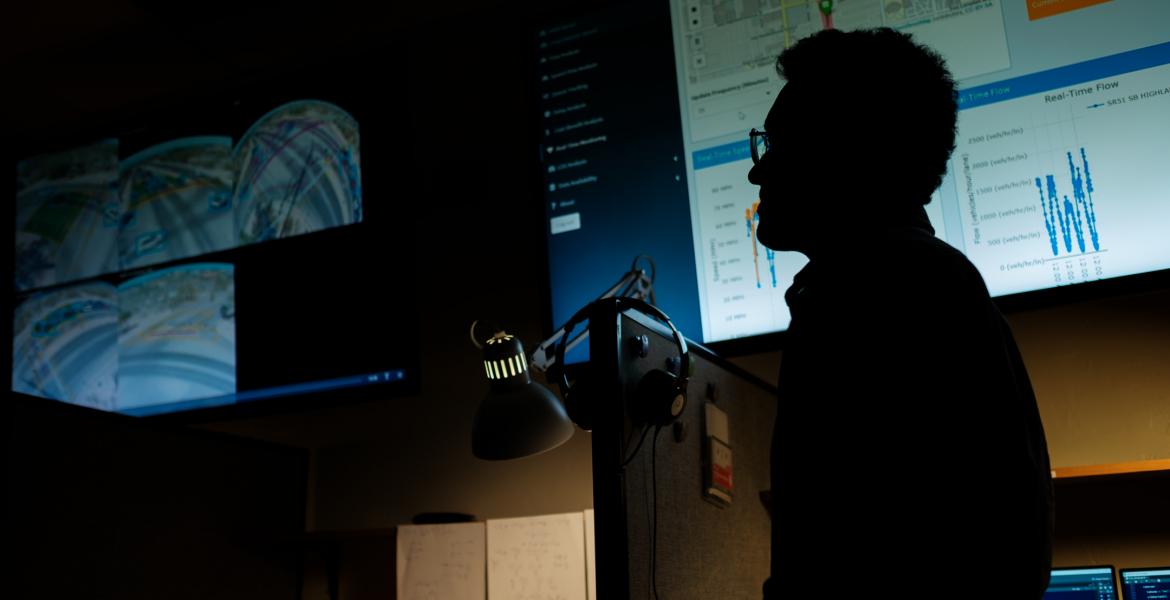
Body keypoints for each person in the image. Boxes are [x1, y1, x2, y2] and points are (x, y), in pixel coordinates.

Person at [749, 29, 1053, 599]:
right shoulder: (920, 281)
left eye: (779, 145)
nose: (757, 173)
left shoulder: (878, 295)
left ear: (845, 154)